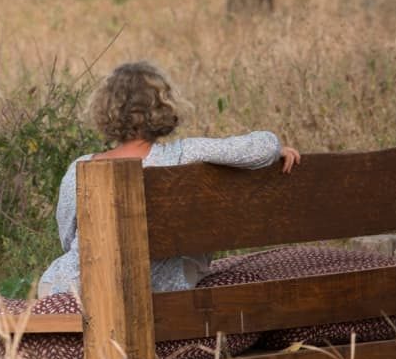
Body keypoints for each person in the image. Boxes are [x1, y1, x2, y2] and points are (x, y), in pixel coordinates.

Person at [36, 61, 302, 299]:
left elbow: (68, 238)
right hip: (158, 287)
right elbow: (260, 147)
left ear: (105, 111)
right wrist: (276, 149)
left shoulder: (79, 168)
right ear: (164, 108)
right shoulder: (182, 154)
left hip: (71, 287)